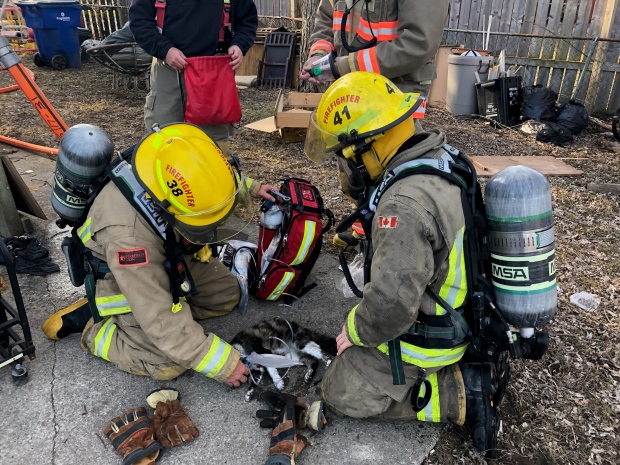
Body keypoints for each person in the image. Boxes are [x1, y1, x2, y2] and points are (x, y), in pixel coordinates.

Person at [303, 72, 506, 456]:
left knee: (340, 392)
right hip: (468, 308)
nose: (343, 170)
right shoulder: (438, 157)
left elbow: (392, 306)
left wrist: (357, 329)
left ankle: (457, 394)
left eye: (343, 158)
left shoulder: (402, 205)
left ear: (369, 146)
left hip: (434, 334)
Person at [43, 123, 278, 388]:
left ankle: (163, 328)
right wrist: (219, 363)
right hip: (121, 276)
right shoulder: (128, 240)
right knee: (168, 363)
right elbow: (156, 312)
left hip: (164, 250)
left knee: (226, 295)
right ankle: (96, 328)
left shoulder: (162, 158)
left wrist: (249, 187)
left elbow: (202, 173)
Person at [129, 0, 258, 155]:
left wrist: (239, 44)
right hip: (168, 68)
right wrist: (165, 50)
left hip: (212, 71)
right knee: (164, 137)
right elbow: (139, 22)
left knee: (212, 144)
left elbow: (247, 20)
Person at [300, 0, 449, 95]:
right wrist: (319, 56)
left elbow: (417, 43)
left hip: (395, 95)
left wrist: (346, 66)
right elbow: (326, 19)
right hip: (345, 94)